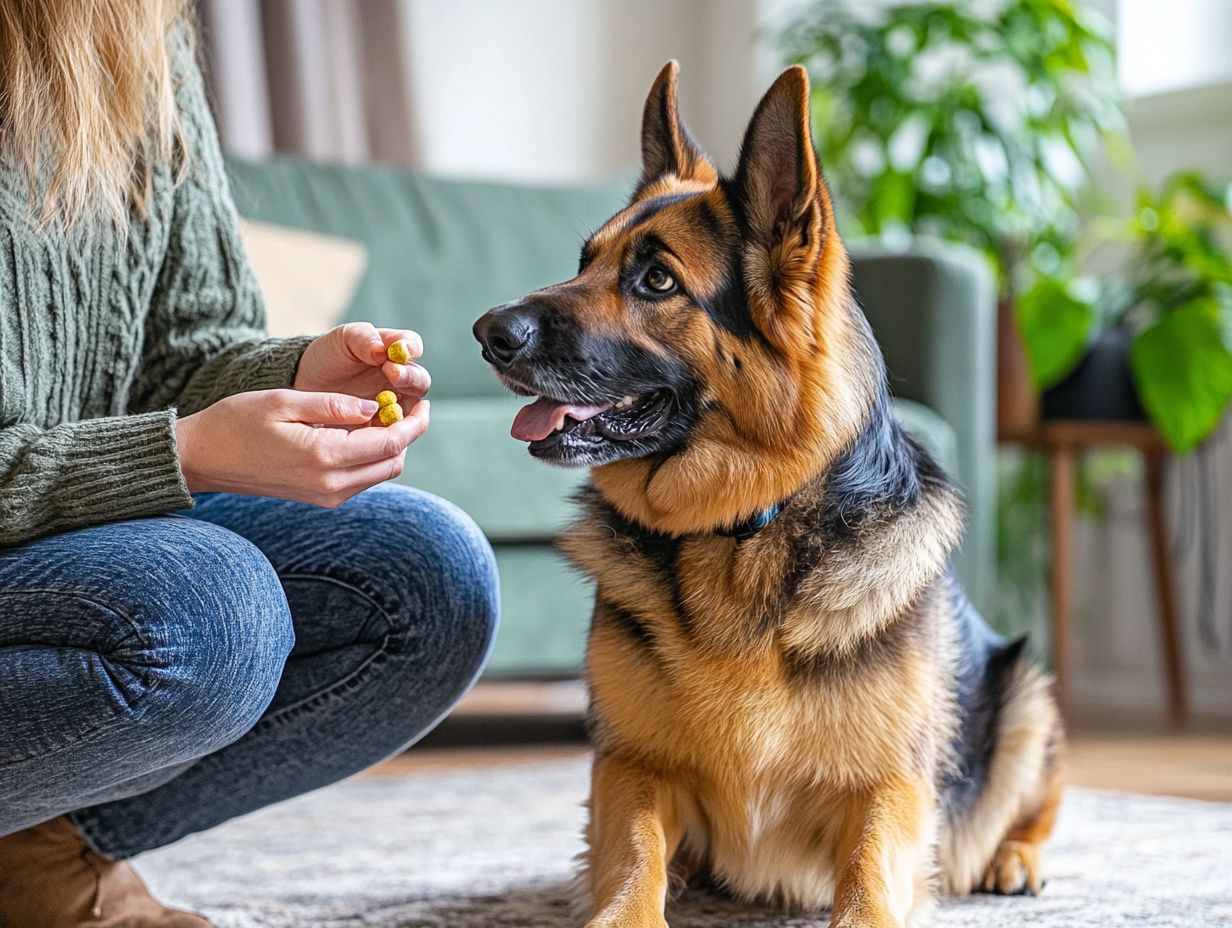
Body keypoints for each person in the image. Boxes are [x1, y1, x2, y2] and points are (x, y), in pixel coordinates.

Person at [0, 3, 499, 926]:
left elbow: (185, 350)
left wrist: (302, 377)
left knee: (433, 578)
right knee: (208, 614)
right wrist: (184, 453)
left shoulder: (134, 41)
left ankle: (38, 858)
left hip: (56, 546)